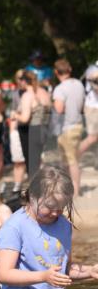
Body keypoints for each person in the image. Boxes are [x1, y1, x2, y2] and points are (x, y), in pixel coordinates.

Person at [0, 165, 97, 289]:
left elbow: (64, 272)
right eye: (50, 207)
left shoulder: (64, 226)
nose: (55, 214)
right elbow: (4, 274)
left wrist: (89, 271)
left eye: (61, 208)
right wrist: (43, 276)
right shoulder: (14, 227)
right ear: (32, 196)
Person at [52, 59, 86, 195]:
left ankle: (75, 190)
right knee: (70, 160)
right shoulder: (78, 84)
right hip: (78, 124)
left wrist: (53, 104)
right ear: (70, 69)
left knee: (71, 162)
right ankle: (70, 188)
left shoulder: (60, 89)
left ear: (56, 72)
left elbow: (59, 109)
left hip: (66, 128)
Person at [78, 64, 98, 165]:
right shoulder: (93, 69)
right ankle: (72, 158)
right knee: (92, 137)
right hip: (93, 107)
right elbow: (95, 84)